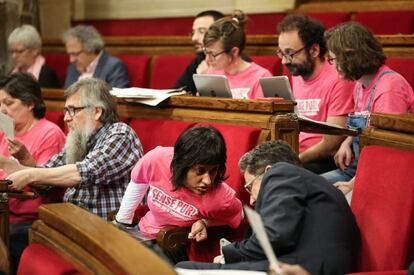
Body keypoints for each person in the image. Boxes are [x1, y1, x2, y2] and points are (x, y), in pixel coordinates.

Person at [1, 77, 142, 273]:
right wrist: (5, 162)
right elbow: (44, 177)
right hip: (72, 225)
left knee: (16, 239)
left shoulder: (120, 134)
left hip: (105, 232)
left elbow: (85, 171)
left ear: (97, 111)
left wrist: (30, 175)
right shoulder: (77, 140)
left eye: (72, 110)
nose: (66, 117)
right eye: (65, 111)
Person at [176, 140, 359, 274]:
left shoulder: (281, 173)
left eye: (250, 187)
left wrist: (229, 254)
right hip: (301, 263)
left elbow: (274, 237)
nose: (253, 200)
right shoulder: (306, 186)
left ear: (268, 171)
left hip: (304, 268)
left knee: (182, 269)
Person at [115, 125, 243, 263]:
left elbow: (239, 215)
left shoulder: (221, 196)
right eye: (200, 171)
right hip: (142, 231)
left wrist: (205, 222)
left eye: (213, 171)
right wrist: (121, 222)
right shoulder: (158, 158)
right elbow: (139, 181)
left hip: (173, 243)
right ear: (181, 165)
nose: (208, 181)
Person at [321, 22, 414, 198]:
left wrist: (351, 185)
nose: (332, 65)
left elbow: (385, 152)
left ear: (351, 56)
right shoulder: (359, 84)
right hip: (357, 170)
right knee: (308, 189)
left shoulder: (389, 88)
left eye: (333, 59)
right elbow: (362, 122)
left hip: (381, 176)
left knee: (332, 202)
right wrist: (347, 141)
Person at [277, 15, 355, 173]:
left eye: (290, 53)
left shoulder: (339, 78)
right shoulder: (297, 72)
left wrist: (294, 160)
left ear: (314, 50)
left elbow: (331, 145)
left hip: (323, 160)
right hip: (297, 153)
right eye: (281, 53)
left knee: (279, 175)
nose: (284, 61)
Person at [201, 10, 272, 99]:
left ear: (234, 52)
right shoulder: (212, 72)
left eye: (213, 54)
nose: (207, 60)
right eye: (206, 52)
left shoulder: (262, 77)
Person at [172, 10, 224, 94]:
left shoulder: (233, 60)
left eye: (201, 31)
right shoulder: (199, 60)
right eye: (193, 32)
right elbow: (177, 90)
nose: (194, 38)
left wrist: (205, 80)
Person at [62, 25, 129, 89]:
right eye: (70, 54)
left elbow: (116, 99)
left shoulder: (114, 67)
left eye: (75, 54)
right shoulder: (72, 67)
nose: (71, 60)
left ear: (91, 48)